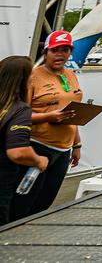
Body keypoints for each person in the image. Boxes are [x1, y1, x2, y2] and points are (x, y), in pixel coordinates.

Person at [9, 32, 81, 220]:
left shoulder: (71, 74)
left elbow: (73, 113)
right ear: (46, 52)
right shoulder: (33, 76)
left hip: (63, 150)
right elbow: (17, 116)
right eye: (55, 50)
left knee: (45, 203)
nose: (60, 54)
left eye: (65, 50)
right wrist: (48, 116)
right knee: (23, 202)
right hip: (37, 147)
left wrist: (77, 144)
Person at [0, 56, 49, 225]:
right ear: (23, 80)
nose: (33, 79)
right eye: (31, 75)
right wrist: (39, 160)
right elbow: (18, 152)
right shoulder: (19, 110)